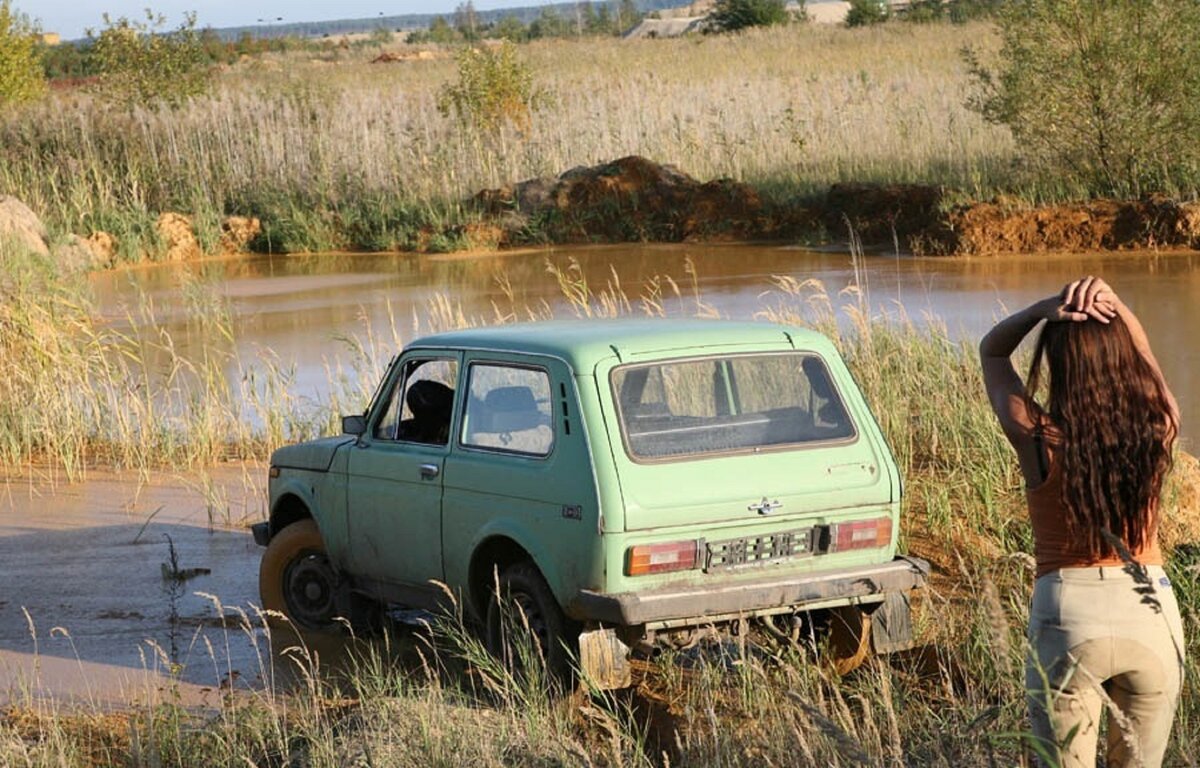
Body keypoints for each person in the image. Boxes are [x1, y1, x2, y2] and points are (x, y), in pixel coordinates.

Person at [979, 276, 1185, 768]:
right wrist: (1116, 307)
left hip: (1068, 613)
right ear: (1126, 359)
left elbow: (992, 353)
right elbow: (1149, 359)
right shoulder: (1160, 426)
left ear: (1059, 366)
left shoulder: (1039, 439)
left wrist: (1040, 311)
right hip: (1152, 613)